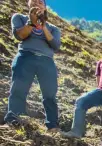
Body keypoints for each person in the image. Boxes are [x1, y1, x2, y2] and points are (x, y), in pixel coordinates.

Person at [4, 0, 61, 132]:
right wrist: (32, 22)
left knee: (50, 94)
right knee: (18, 89)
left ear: (45, 8)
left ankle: (52, 125)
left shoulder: (54, 28)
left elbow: (55, 45)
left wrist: (44, 25)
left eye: (40, 3)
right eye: (33, 1)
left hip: (47, 61)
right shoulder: (19, 18)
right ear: (28, 4)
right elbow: (19, 36)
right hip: (25, 56)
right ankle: (13, 121)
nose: (37, 4)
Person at [62, 35, 102, 139]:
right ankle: (77, 132)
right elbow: (98, 78)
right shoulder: (101, 62)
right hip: (100, 91)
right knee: (80, 101)